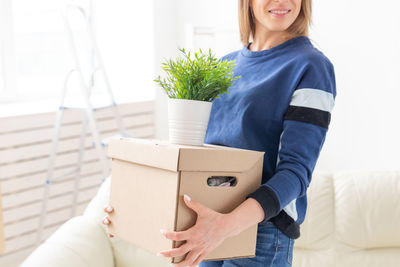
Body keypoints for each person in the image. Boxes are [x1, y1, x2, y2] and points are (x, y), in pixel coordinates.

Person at [102, 0, 336, 266]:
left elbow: (296, 173)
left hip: (260, 233)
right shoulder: (223, 67)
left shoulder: (311, 66)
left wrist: (225, 226)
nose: (282, 2)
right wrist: (133, 212)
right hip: (205, 222)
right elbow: (196, 160)